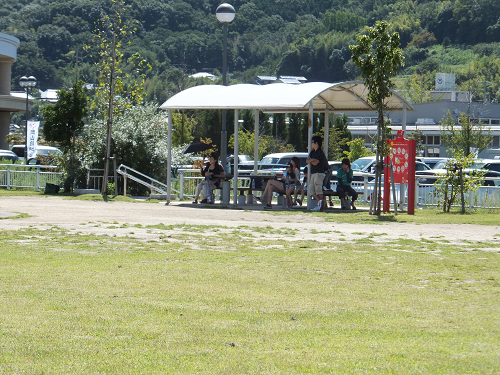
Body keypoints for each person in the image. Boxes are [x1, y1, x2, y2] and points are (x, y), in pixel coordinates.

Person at [306, 135, 329, 211]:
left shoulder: (320, 152)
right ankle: (319, 202)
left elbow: (316, 162)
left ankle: (320, 205)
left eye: (312, 142)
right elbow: (307, 160)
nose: (311, 144)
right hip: (313, 173)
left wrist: (311, 160)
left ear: (316, 143)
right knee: (310, 190)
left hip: (319, 173)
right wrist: (312, 160)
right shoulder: (312, 152)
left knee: (318, 190)